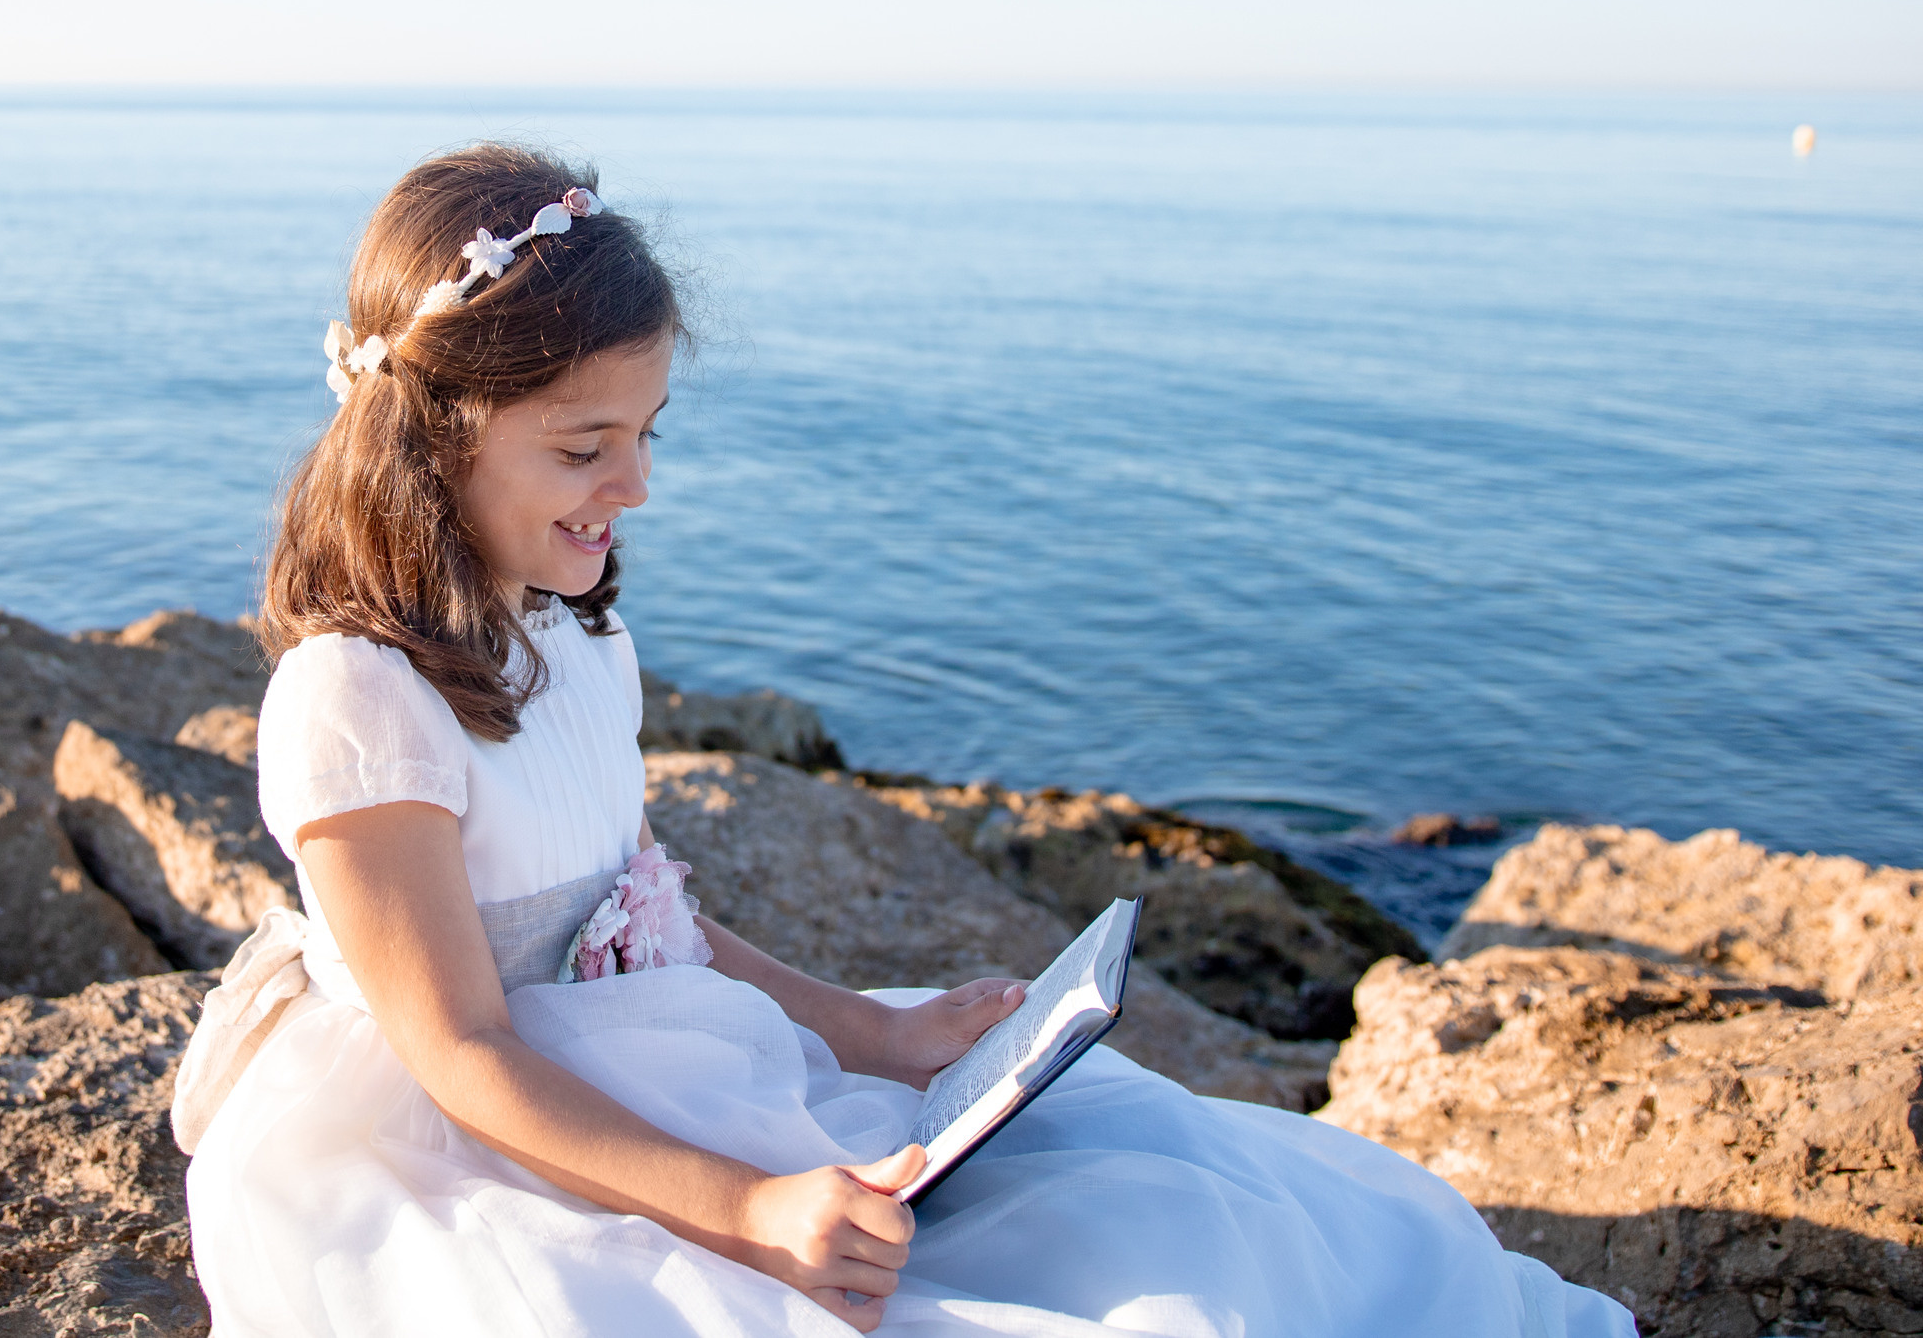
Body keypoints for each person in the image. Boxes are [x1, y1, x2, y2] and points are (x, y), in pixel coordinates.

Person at [176, 143, 1635, 1337]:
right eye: (583, 447)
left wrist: (869, 1027)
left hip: (648, 1056)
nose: (634, 485)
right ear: (432, 433)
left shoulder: (571, 635)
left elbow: (631, 909)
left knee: (1172, 1187)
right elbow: (467, 1048)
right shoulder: (357, 701)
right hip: (477, 1136)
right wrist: (748, 1213)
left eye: (649, 435)